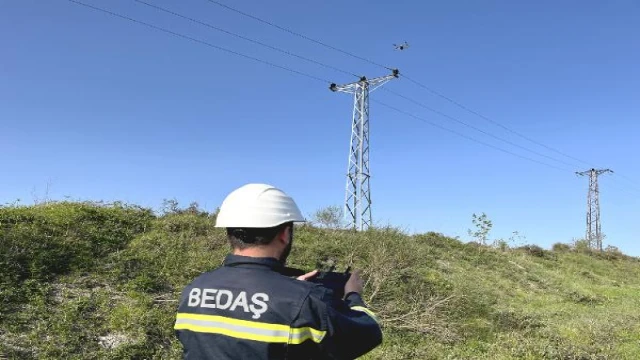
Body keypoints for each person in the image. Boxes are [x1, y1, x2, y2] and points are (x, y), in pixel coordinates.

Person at [174, 183, 382, 359]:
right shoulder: (304, 302)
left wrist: (290, 290)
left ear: (229, 232)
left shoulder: (194, 289)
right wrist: (353, 294)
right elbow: (368, 332)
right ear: (285, 234)